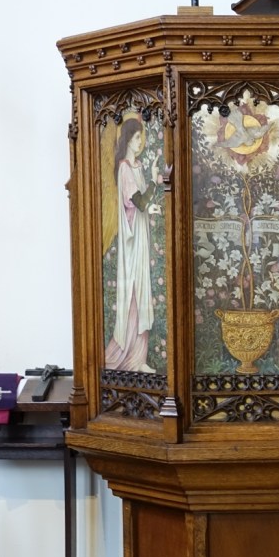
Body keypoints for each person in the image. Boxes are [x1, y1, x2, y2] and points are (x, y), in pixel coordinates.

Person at [105, 117, 159, 372]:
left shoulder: (137, 166)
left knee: (142, 289)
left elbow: (144, 203)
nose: (141, 142)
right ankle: (129, 358)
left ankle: (139, 358)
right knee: (134, 292)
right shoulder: (125, 168)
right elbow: (140, 203)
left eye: (142, 137)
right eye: (137, 137)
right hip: (132, 240)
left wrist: (153, 181)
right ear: (127, 139)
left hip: (140, 235)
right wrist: (155, 182)